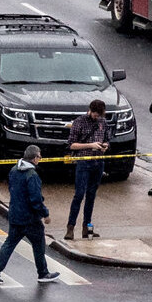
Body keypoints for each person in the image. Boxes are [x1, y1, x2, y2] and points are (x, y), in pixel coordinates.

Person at [0, 146, 60, 285]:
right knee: (38, 244)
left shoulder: (14, 170)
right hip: (30, 219)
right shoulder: (32, 175)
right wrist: (45, 214)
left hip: (15, 216)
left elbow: (12, 190)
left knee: (9, 244)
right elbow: (35, 199)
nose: (40, 159)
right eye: (39, 157)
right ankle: (43, 273)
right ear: (34, 158)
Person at [64, 99, 110, 240]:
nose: (98, 118)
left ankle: (87, 228)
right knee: (79, 195)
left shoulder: (102, 122)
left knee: (91, 196)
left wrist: (105, 146)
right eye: (96, 115)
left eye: (99, 116)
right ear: (90, 110)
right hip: (84, 162)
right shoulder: (79, 122)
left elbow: (107, 138)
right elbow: (71, 145)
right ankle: (70, 228)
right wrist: (91, 145)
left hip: (98, 162)